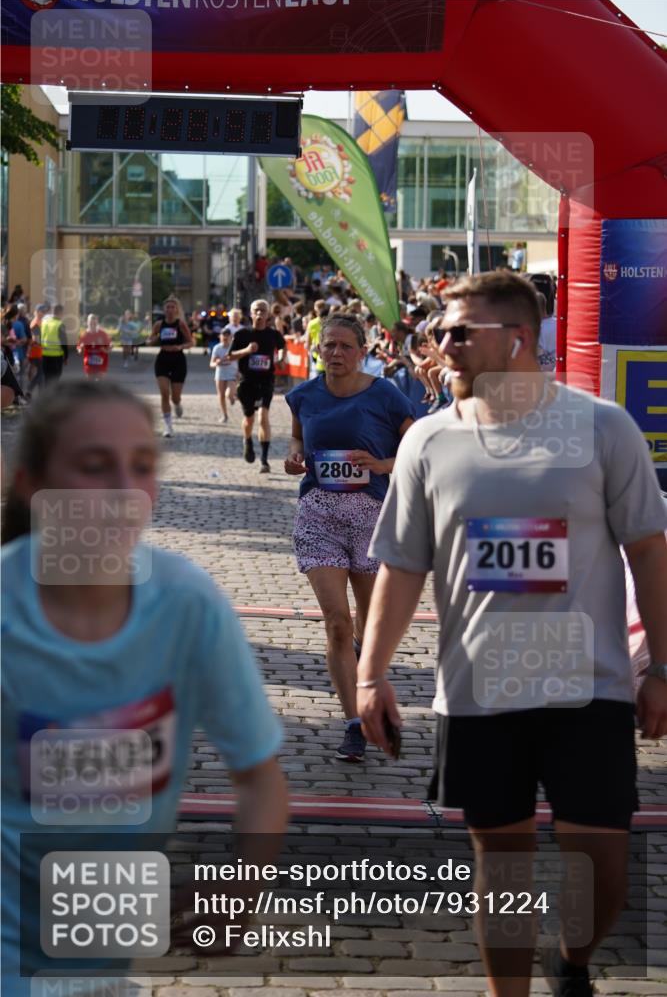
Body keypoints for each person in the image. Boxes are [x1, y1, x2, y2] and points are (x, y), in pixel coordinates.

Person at [357, 271, 667, 997]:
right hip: (477, 690)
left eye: (459, 331)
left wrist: (660, 665)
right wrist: (370, 677)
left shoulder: (600, 427)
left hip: (587, 685)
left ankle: (572, 961)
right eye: (438, 331)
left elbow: (648, 550)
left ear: (519, 339)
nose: (442, 344)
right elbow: (400, 568)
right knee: (503, 873)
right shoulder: (427, 440)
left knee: (602, 871)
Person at [1, 380, 288, 995]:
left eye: (142, 467)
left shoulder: (185, 603)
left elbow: (260, 777)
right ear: (31, 484)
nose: (124, 495)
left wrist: (245, 881)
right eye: (93, 467)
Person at [284, 314, 415, 762]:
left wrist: (381, 466)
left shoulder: (385, 395)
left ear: (363, 350)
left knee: (366, 625)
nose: (335, 353)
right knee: (337, 622)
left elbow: (416, 450)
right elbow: (297, 439)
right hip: (319, 513)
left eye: (344, 346)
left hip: (372, 518)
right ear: (318, 349)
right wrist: (294, 456)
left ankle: (363, 665)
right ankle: (353, 725)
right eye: (328, 345)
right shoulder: (304, 394)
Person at [229, 298, 285, 473]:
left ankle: (264, 460)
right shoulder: (242, 334)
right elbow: (230, 356)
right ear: (251, 313)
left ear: (268, 314)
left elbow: (282, 347)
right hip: (247, 383)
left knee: (263, 417)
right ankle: (247, 441)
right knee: (249, 420)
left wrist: (281, 357)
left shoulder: (274, 335)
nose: (260, 313)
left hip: (266, 381)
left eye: (263, 310)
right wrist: (246, 350)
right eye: (256, 310)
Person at [147, 294, 193, 437]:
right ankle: (168, 426)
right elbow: (150, 339)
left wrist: (180, 347)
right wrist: (153, 339)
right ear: (164, 309)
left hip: (178, 361)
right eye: (167, 307)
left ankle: (177, 404)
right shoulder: (159, 324)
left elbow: (191, 342)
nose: (170, 309)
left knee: (175, 397)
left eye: (173, 307)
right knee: (164, 393)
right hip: (163, 360)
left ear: (176, 309)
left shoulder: (180, 324)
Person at [210, 327, 238, 423]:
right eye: (223, 335)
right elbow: (211, 364)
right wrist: (217, 362)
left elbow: (240, 360)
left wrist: (239, 372)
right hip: (220, 374)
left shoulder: (234, 347)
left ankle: (232, 397)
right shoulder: (217, 348)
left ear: (231, 337)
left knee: (228, 394)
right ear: (220, 337)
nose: (225, 337)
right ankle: (224, 415)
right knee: (221, 395)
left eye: (227, 335)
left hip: (232, 374)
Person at [40, 304, 70, 383]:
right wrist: (66, 357)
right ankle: (52, 395)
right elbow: (64, 342)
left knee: (47, 379)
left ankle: (47, 395)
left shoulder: (45, 323)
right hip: (56, 356)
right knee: (55, 379)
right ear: (60, 312)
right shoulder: (60, 324)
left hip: (44, 355)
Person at [77, 313, 112, 380]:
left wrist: (106, 350)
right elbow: (79, 349)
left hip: (101, 363)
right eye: (91, 323)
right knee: (90, 384)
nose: (92, 325)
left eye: (94, 322)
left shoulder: (102, 334)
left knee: (100, 383)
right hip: (89, 363)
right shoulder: (84, 334)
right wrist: (81, 349)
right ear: (87, 323)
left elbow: (110, 346)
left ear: (97, 322)